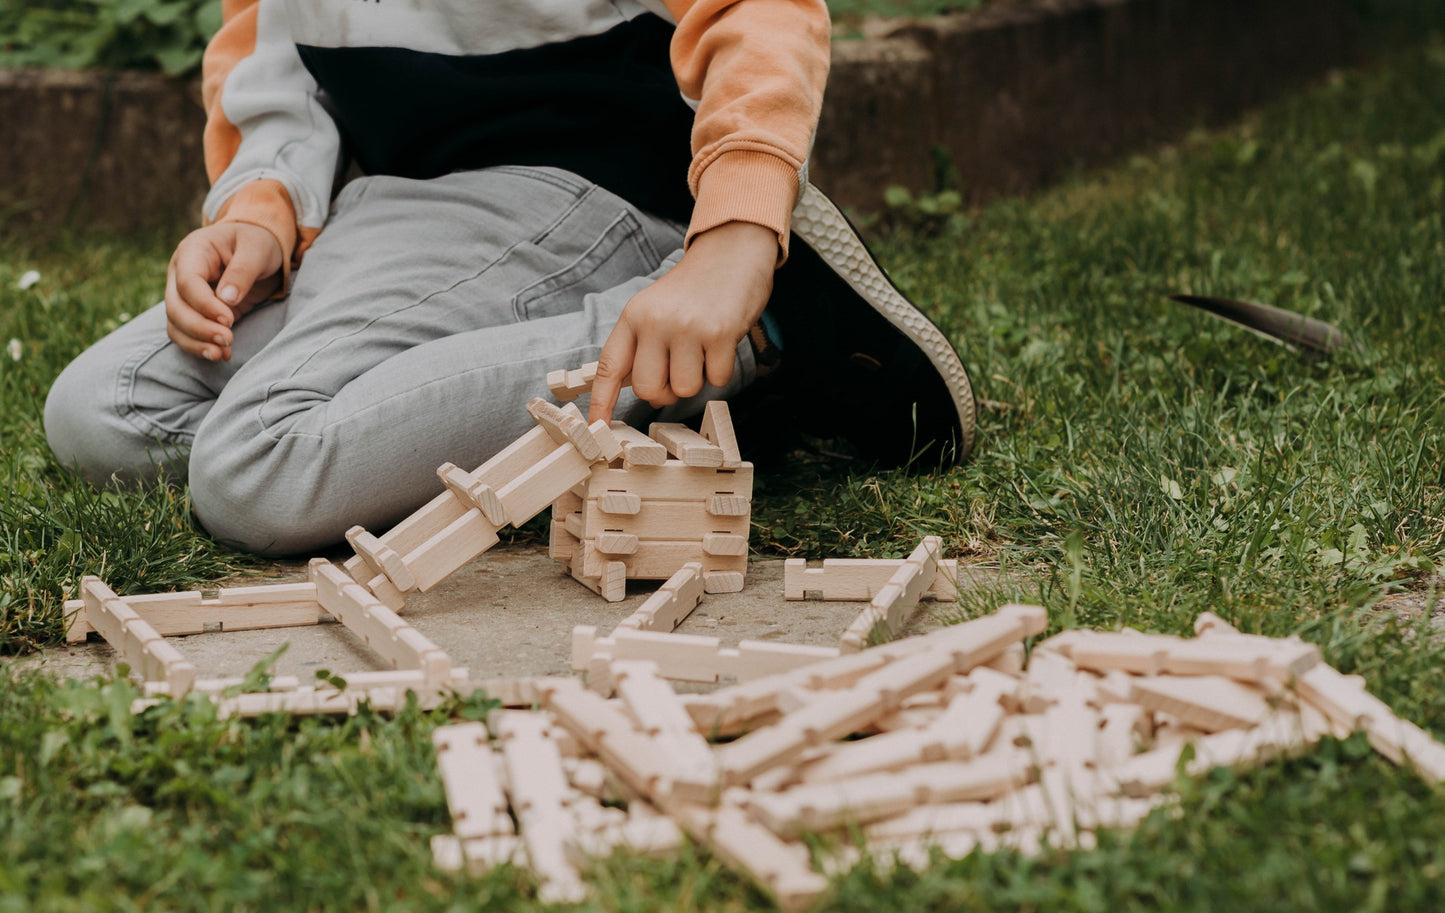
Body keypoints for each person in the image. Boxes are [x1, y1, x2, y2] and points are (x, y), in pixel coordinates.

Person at [44, 0, 976, 557]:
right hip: (399, 212)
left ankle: (744, 335)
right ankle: (636, 351)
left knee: (252, 469)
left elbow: (753, 12)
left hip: (585, 191)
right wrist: (261, 206)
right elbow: (270, 48)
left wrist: (732, 232)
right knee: (100, 410)